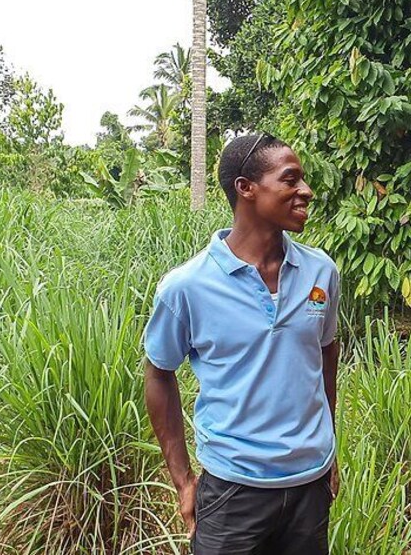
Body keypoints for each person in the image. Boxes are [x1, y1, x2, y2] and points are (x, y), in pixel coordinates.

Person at [143, 133, 340, 555]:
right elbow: (159, 373)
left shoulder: (321, 271)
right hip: (233, 493)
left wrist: (330, 447)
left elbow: (326, 354)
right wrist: (182, 481)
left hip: (310, 486)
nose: (306, 191)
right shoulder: (187, 287)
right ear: (246, 188)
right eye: (290, 180)